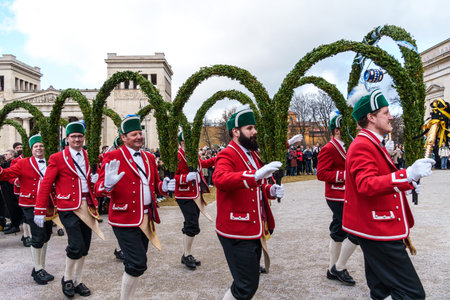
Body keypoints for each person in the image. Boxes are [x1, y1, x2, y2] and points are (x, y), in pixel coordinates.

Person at [343, 85, 434, 299]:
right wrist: (407, 174)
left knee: (381, 290)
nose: (391, 117)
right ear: (371, 117)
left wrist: (408, 183)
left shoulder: (372, 143)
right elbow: (366, 184)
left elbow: (381, 178)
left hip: (377, 227)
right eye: (385, 112)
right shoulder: (362, 145)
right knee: (412, 294)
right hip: (378, 229)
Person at [95, 115, 175, 300]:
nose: (139, 137)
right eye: (133, 134)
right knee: (137, 263)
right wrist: (107, 185)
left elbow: (154, 185)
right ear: (123, 137)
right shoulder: (112, 156)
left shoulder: (148, 157)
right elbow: (98, 189)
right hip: (124, 219)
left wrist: (164, 187)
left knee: (136, 265)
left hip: (145, 218)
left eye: (140, 133)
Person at [213, 105, 284, 300]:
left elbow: (257, 186)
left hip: (252, 227)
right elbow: (220, 179)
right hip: (236, 229)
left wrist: (270, 190)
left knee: (246, 283)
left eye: (254, 127)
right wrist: (254, 175)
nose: (255, 132)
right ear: (235, 132)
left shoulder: (252, 154)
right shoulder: (227, 153)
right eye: (250, 128)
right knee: (245, 286)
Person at [34, 121, 99, 298]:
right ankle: (67, 278)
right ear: (67, 139)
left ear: (83, 138)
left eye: (79, 136)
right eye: (73, 137)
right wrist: (40, 209)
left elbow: (95, 181)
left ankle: (78, 280)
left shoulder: (90, 155)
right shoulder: (57, 157)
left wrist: (97, 179)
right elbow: (46, 183)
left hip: (88, 206)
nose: (77, 139)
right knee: (76, 244)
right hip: (68, 207)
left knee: (85, 246)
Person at [0, 135, 56, 284]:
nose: (39, 148)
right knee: (37, 235)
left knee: (46, 235)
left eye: (41, 146)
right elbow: (7, 174)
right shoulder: (23, 163)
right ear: (31, 149)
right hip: (30, 204)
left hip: (48, 204)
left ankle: (42, 267)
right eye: (36, 146)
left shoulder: (51, 161)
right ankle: (37, 269)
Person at [317, 111, 358, 286]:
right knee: (355, 231)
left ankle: (331, 268)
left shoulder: (349, 146)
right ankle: (339, 267)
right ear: (337, 131)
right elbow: (321, 173)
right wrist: (345, 175)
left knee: (338, 231)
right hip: (336, 195)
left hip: (346, 194)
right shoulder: (329, 148)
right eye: (345, 128)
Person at [175, 132, 216, 269]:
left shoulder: (192, 154)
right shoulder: (178, 155)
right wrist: (186, 177)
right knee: (192, 224)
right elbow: (172, 177)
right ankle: (186, 255)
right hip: (185, 195)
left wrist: (216, 159)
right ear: (182, 143)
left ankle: (187, 253)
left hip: (195, 194)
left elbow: (202, 164)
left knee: (191, 223)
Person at [1, 149, 23, 234]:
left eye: (6, 154)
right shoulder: (7, 163)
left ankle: (15, 225)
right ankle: (13, 224)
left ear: (11, 155)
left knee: (13, 207)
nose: (4, 156)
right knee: (9, 207)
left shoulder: (14, 162)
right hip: (5, 188)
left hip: (11, 189)